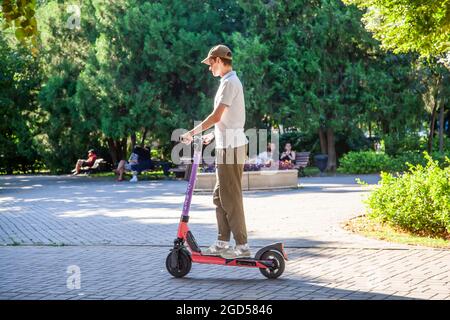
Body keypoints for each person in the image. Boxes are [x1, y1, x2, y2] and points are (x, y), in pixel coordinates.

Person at [180, 44, 250, 259]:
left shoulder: (229, 83)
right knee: (220, 196)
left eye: (210, 63)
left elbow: (216, 116)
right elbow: (227, 119)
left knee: (231, 197)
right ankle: (222, 242)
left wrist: (191, 132)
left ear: (218, 60)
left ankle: (242, 246)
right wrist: (212, 135)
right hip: (226, 144)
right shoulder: (227, 82)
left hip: (231, 148)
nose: (209, 68)